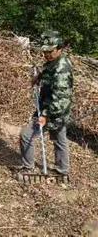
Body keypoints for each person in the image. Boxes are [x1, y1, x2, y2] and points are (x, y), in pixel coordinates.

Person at [17, 31, 73, 177]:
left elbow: (61, 100)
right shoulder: (54, 61)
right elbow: (48, 70)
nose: (46, 54)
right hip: (55, 110)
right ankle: (63, 170)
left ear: (59, 49)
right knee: (60, 138)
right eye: (45, 51)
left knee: (26, 135)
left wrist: (46, 116)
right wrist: (39, 77)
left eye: (50, 51)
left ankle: (28, 168)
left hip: (54, 111)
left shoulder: (61, 70)